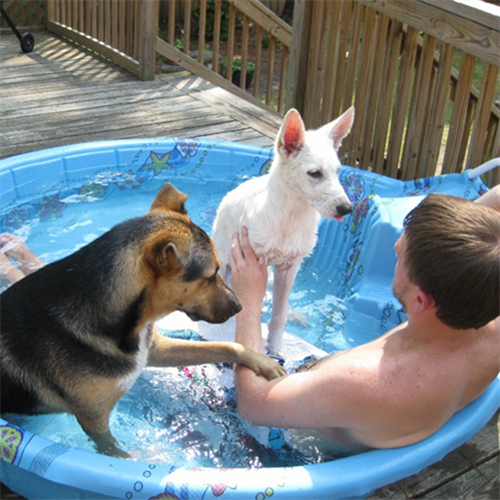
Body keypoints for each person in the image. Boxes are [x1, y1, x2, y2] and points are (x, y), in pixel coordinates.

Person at [228, 187, 500, 451]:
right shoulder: (486, 314)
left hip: (298, 442)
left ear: (420, 300)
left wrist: (248, 299)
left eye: (399, 255)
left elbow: (253, 406)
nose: (394, 253)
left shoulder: (362, 379)